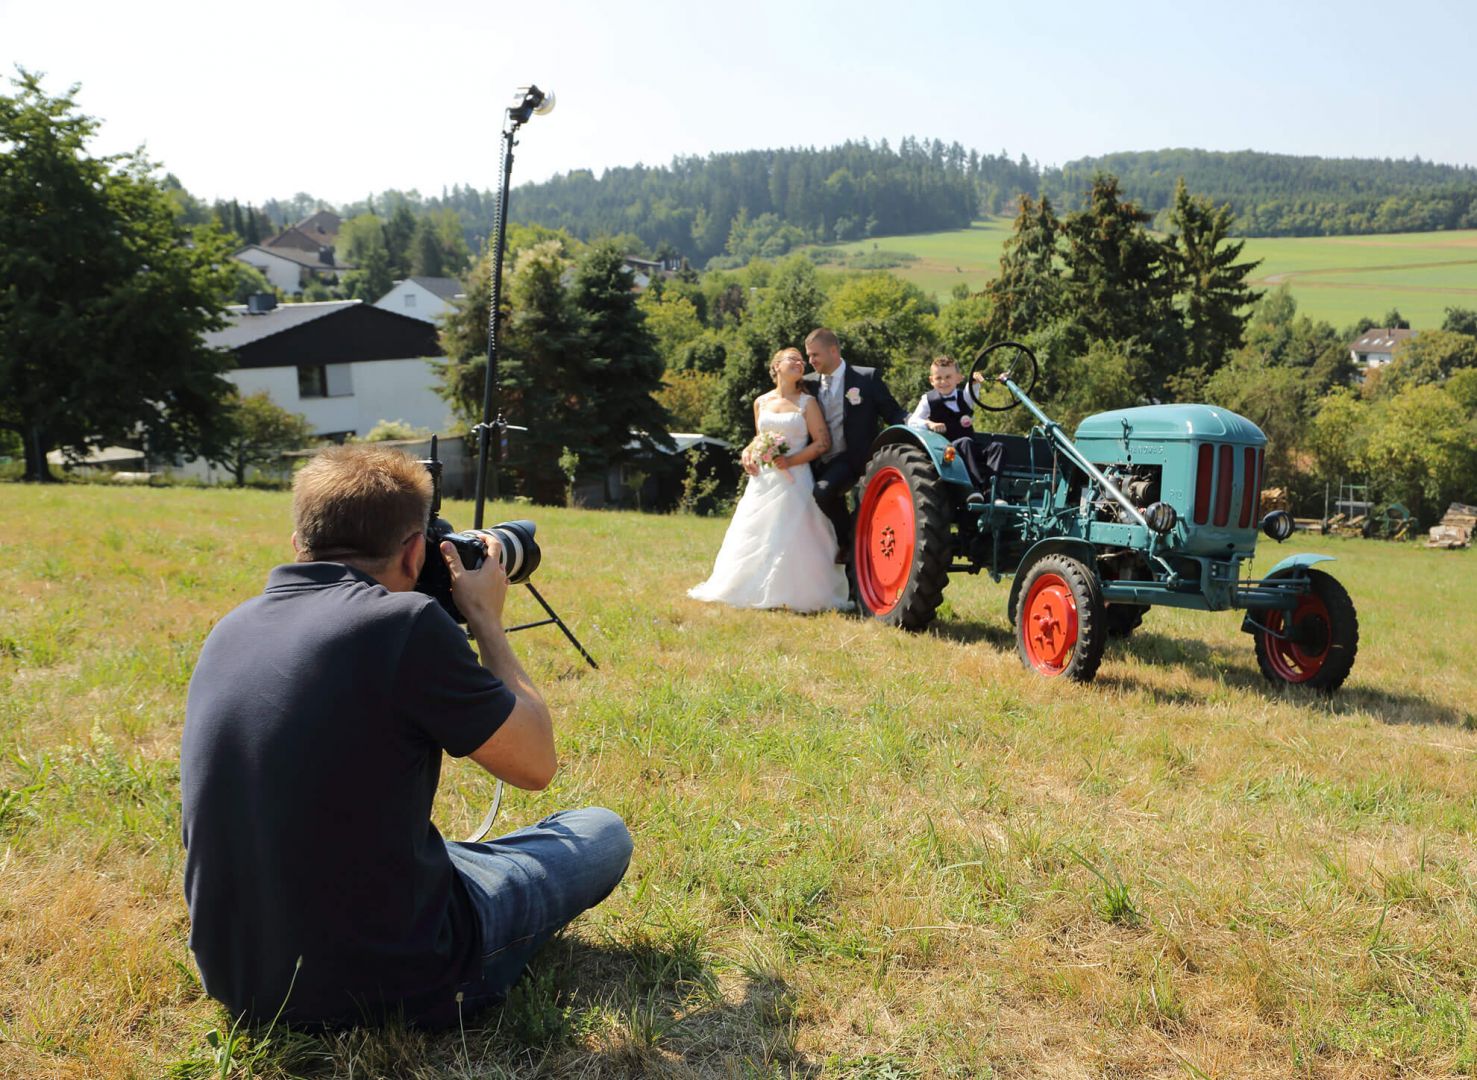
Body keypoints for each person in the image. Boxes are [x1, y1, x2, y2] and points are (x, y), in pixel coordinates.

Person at [180, 444, 632, 1029]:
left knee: (437, 852)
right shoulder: (404, 624)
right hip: (391, 979)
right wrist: (487, 620)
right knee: (600, 831)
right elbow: (535, 764)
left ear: (299, 543)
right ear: (416, 550)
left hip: (238, 976)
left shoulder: (231, 627)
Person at [688, 347, 850, 611]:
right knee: (755, 533)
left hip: (795, 479)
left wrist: (790, 461)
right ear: (776, 366)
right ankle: (746, 588)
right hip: (763, 480)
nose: (799, 363)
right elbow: (758, 437)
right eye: (792, 359)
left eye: (801, 360)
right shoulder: (761, 402)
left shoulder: (807, 403)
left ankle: (796, 593)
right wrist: (747, 452)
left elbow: (822, 443)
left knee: (791, 535)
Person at [801, 327, 908, 560]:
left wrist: (919, 422)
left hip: (854, 458)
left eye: (814, 355)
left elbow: (893, 413)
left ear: (833, 350)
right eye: (808, 355)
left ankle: (847, 542)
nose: (810, 361)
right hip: (817, 460)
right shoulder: (807, 383)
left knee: (823, 492)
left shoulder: (866, 378)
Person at [906, 355, 1005, 492]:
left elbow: (972, 389)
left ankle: (991, 491)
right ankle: (973, 489)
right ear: (931, 381)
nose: (943, 382)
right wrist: (929, 424)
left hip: (969, 446)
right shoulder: (928, 400)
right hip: (946, 451)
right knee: (965, 442)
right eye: (938, 378)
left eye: (948, 377)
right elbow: (912, 422)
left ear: (958, 378)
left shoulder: (964, 397)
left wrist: (975, 381)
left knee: (997, 447)